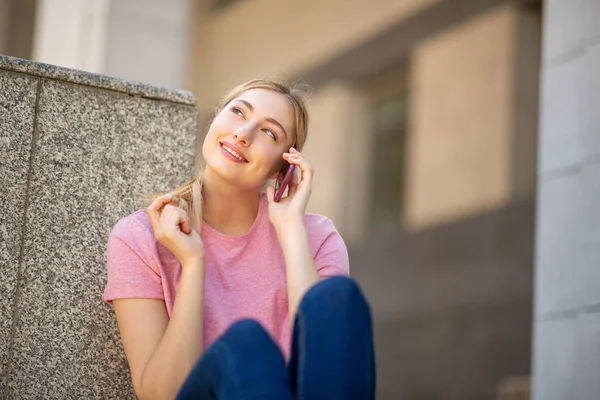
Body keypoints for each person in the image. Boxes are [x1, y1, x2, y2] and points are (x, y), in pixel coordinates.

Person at [102, 78, 375, 399]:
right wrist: (193, 264)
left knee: (337, 296)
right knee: (245, 342)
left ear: (282, 168)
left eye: (269, 132)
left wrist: (290, 232)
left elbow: (320, 362)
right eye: (237, 112)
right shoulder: (142, 235)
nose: (243, 134)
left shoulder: (315, 237)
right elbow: (161, 394)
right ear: (216, 120)